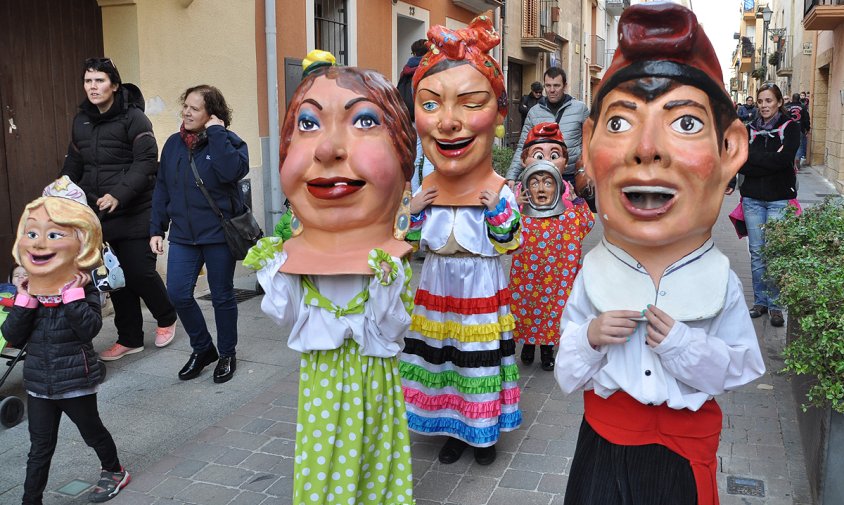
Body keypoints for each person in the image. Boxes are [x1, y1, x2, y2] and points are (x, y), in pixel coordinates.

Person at [553, 4, 766, 504]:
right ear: (589, 147)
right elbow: (566, 372)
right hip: (602, 445)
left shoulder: (720, 279)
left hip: (680, 451)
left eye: (686, 123)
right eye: (622, 123)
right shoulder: (594, 272)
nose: (646, 149)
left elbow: (740, 369)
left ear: (730, 150)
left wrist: (683, 348)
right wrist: (588, 336)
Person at [244, 50, 416, 504]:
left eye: (364, 121)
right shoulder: (297, 262)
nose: (326, 149)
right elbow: (285, 315)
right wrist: (272, 274)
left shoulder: (390, 262)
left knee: (374, 449)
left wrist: (386, 285)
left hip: (373, 372)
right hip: (322, 375)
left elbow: (397, 326)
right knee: (323, 456)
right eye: (307, 123)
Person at [400, 12, 522, 467]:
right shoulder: (426, 188)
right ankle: (454, 429)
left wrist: (495, 208)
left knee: (477, 359)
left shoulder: (500, 189)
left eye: (471, 103)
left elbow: (510, 241)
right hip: (438, 284)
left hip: (480, 287)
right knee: (445, 359)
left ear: (498, 112)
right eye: (430, 105)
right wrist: (410, 212)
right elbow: (406, 243)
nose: (448, 122)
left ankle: (482, 432)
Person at [2, 178, 130, 504]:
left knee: (92, 432)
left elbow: (87, 328)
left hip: (75, 378)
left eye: (56, 234)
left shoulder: (83, 284)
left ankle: (114, 470)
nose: (42, 243)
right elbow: (13, 336)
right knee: (39, 447)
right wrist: (25, 299)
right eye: (34, 233)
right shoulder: (28, 283)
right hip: (39, 381)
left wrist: (71, 295)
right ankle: (31, 499)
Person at [61, 57, 177, 361]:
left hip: (136, 207)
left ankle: (166, 317)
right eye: (88, 81)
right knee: (116, 276)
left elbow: (146, 162)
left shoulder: (134, 118)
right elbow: (74, 162)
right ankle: (129, 338)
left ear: (113, 84)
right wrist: (61, 191)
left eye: (99, 80)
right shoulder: (81, 120)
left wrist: (118, 194)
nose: (93, 87)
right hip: (98, 211)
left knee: (139, 271)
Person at [150, 85, 248, 384]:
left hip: (218, 235)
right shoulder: (172, 144)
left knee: (221, 296)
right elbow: (162, 187)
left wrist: (217, 134)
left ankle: (227, 353)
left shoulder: (229, 142)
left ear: (211, 114)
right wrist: (156, 228)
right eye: (186, 106)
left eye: (194, 108)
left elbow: (231, 172)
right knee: (178, 293)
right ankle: (203, 348)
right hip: (182, 235)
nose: (187, 112)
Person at [510, 154, 593, 371]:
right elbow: (503, 230)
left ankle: (547, 349)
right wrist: (512, 204)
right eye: (534, 183)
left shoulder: (566, 218)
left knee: (551, 313)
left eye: (548, 183)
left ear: (557, 188)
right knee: (527, 311)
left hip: (554, 283)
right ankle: (528, 345)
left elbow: (587, 223)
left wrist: (577, 201)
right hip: (527, 280)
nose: (541, 189)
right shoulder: (521, 217)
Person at [738, 83, 800, 328]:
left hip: (779, 199)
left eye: (769, 101)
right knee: (757, 254)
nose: (764, 105)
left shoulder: (790, 127)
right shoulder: (747, 129)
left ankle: (775, 306)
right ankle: (760, 302)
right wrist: (769, 160)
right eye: (761, 101)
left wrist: (755, 160)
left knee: (773, 254)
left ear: (779, 103)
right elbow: (740, 162)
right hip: (752, 199)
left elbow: (786, 160)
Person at [506, 67, 589, 187]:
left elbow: (590, 143)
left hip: (572, 176)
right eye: (548, 86)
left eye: (556, 85)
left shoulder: (580, 109)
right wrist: (511, 176)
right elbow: (523, 146)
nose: (552, 90)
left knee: (576, 206)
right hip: (542, 176)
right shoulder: (534, 112)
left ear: (565, 86)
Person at [786, 92, 811, 168]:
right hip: (800, 128)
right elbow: (806, 119)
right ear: (799, 99)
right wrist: (807, 128)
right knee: (799, 145)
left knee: (788, 145)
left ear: (792, 99)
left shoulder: (787, 107)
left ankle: (790, 160)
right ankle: (797, 159)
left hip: (789, 129)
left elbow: (785, 118)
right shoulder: (803, 107)